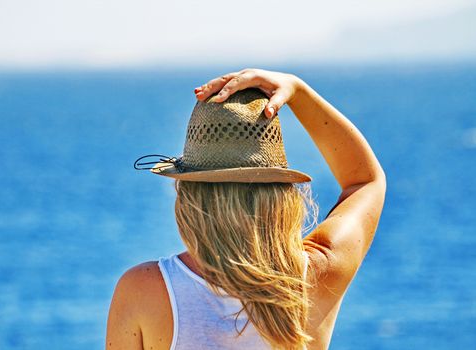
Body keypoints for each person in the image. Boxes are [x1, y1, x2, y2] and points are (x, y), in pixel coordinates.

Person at [106, 68, 386, 349]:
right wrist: (298, 92)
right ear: (281, 193)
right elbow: (366, 181)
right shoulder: (317, 275)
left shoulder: (145, 291)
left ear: (188, 195)